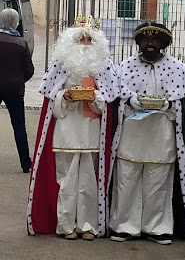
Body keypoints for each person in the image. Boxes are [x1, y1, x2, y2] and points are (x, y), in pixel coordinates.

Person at [26, 15, 120, 240]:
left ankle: (87, 226)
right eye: (81, 40)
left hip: (90, 132)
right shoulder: (61, 65)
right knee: (66, 181)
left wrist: (94, 96)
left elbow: (108, 101)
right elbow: (53, 100)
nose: (85, 44)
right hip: (66, 132)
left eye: (89, 40)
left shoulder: (104, 67)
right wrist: (65, 96)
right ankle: (66, 225)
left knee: (88, 180)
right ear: (71, 43)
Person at [109, 22, 185, 245]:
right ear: (138, 42)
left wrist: (168, 105)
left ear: (163, 44)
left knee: (158, 182)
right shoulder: (124, 67)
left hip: (161, 135)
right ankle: (124, 226)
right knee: (126, 180)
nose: (150, 44)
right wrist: (130, 100)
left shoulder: (178, 68)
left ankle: (157, 227)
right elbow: (115, 98)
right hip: (132, 134)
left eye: (155, 40)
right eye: (146, 40)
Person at [0, 8, 34, 173]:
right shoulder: (21, 43)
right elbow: (29, 70)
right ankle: (25, 163)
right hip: (15, 89)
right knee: (19, 125)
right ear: (16, 22)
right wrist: (19, 80)